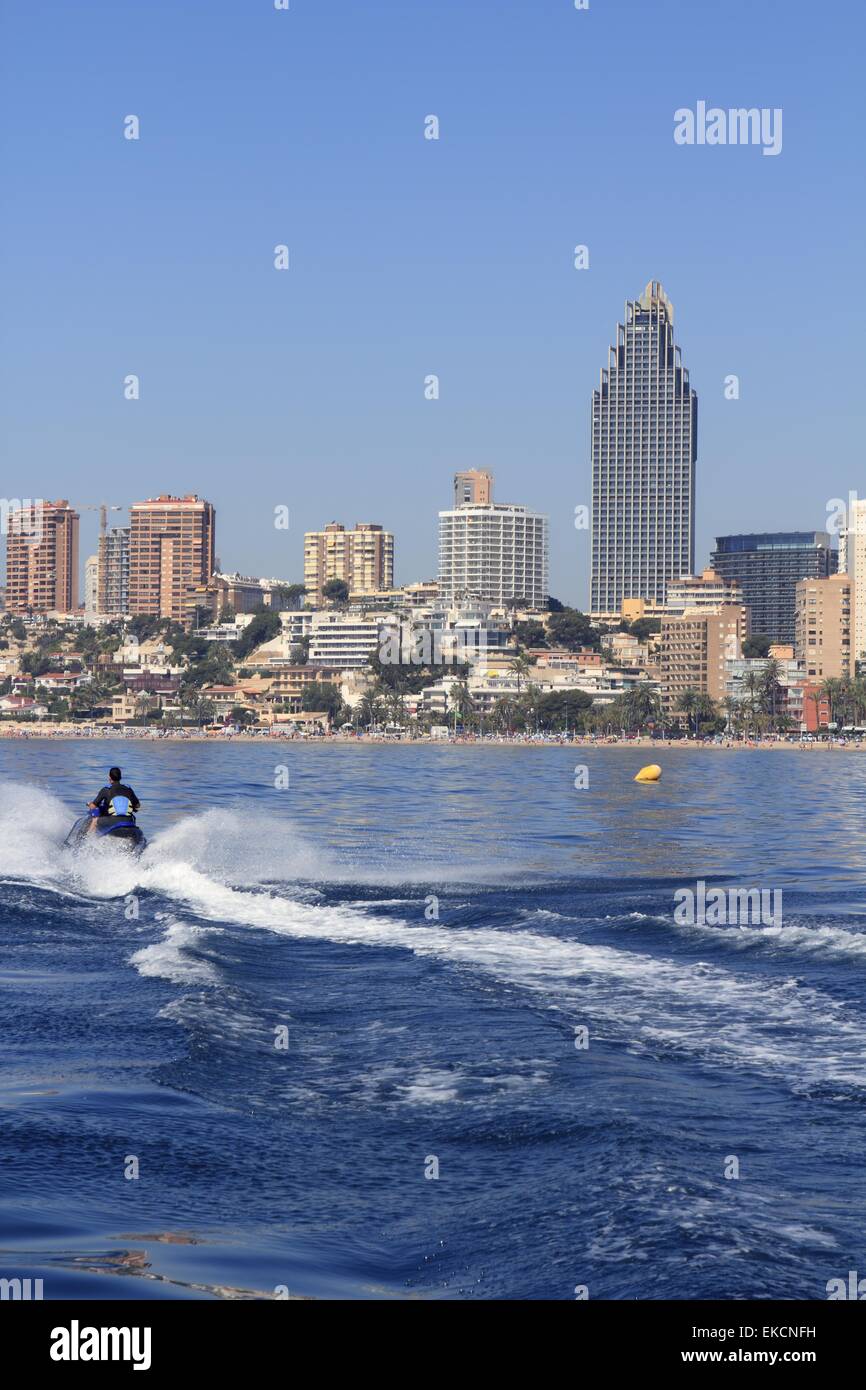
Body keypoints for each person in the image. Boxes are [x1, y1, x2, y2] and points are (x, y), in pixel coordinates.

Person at [88, 767, 141, 832]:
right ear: (120, 777)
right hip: (129, 821)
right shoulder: (128, 789)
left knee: (95, 820)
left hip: (113, 821)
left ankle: (87, 840)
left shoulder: (106, 790)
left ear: (110, 778)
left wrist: (89, 804)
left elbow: (93, 806)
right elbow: (138, 805)